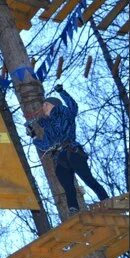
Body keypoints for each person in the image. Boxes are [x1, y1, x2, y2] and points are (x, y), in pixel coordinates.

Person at [26, 84, 109, 216]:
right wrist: (34, 136)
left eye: (45, 105)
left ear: (53, 104)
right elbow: (45, 145)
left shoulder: (64, 112)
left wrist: (62, 92)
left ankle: (105, 199)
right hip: (60, 157)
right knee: (67, 185)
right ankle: (73, 209)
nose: (43, 108)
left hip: (72, 151)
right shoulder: (47, 125)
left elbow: (73, 107)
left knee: (88, 179)